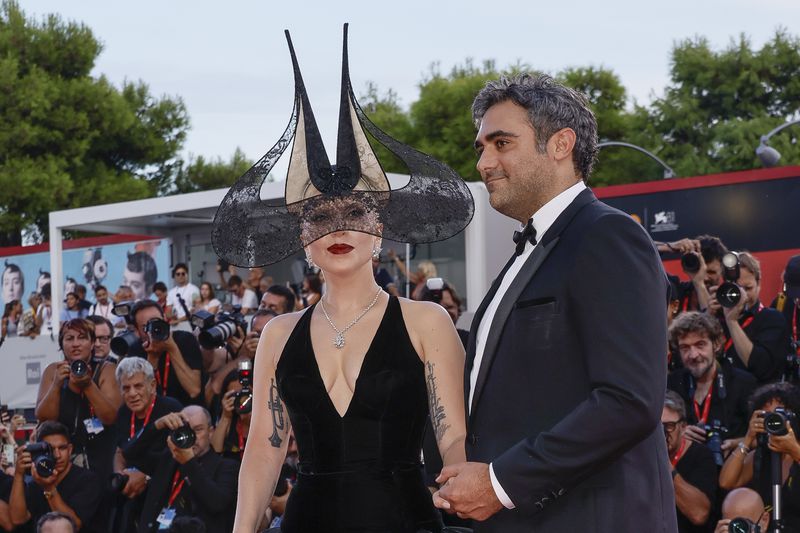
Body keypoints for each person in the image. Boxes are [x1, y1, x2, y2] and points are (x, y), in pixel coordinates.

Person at [220, 25, 473, 533]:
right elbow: (264, 452)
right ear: (304, 237)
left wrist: (460, 483)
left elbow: (453, 438)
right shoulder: (277, 333)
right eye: (319, 215)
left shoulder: (427, 321)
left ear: (378, 229)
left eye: (354, 211)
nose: (338, 227)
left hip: (404, 520)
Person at [434, 73, 676, 532]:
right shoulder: (530, 252)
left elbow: (629, 401)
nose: (485, 162)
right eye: (481, 147)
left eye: (502, 143)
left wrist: (500, 482)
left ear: (561, 144)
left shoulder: (607, 236)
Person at [34, 318, 121, 486]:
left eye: (82, 337)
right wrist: (57, 384)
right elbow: (44, 417)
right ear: (61, 344)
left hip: (100, 457)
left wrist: (88, 384)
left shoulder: (107, 369)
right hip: (62, 460)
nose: (76, 344)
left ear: (92, 342)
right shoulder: (53, 371)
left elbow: (110, 417)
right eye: (69, 338)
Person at [135, 406, 239, 533]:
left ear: (211, 432)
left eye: (198, 429)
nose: (192, 436)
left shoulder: (227, 466)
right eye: (185, 430)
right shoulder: (167, 460)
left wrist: (189, 462)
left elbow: (217, 503)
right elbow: (132, 454)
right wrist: (157, 425)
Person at [667, 312, 757, 454]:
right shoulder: (671, 383)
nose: (693, 355)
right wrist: (677, 436)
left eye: (700, 345)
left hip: (730, 469)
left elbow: (762, 437)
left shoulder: (744, 383)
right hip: (684, 468)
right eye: (685, 348)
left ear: (716, 344)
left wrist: (736, 443)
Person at [113, 357, 182, 532]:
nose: (132, 393)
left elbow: (173, 458)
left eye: (138, 386)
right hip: (131, 492)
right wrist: (121, 475)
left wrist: (145, 476)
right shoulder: (123, 413)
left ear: (152, 385)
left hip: (164, 491)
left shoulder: (170, 407)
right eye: (126, 388)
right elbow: (124, 451)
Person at [719, 382, 800, 528]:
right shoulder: (761, 456)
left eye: (778, 414)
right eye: (766, 416)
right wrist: (748, 438)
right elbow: (726, 482)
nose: (773, 422)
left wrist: (794, 449)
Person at [9, 421, 101, 532]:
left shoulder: (87, 480)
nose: (57, 455)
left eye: (62, 448)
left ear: (70, 449)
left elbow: (73, 525)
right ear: (40, 452)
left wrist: (49, 488)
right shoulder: (36, 480)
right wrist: (19, 475)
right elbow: (18, 519)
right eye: (51, 449)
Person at [716, 251, 791, 383]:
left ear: (759, 284)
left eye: (748, 288)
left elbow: (762, 368)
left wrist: (732, 322)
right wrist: (708, 314)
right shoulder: (716, 317)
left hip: (755, 398)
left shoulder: (772, 319)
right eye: (736, 289)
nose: (743, 296)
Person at [130, 300, 204, 407]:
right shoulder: (136, 349)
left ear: (165, 319)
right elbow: (140, 396)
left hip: (187, 411)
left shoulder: (185, 339)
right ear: (137, 331)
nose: (153, 329)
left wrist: (172, 348)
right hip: (155, 414)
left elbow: (194, 390)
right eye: (146, 327)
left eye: (157, 322)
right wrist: (152, 358)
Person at [662, 391, 717, 533]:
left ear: (683, 427)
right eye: (657, 427)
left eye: (668, 426)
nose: (662, 434)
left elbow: (699, 515)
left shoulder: (701, 456)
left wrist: (664, 464)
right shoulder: (641, 456)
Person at [166, 264, 199, 331]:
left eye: (183, 274)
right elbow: (168, 311)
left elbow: (196, 309)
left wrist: (178, 320)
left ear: (187, 275)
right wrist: (171, 316)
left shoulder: (194, 289)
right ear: (174, 276)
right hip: (175, 324)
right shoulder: (171, 292)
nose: (180, 276)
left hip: (189, 324)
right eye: (178, 274)